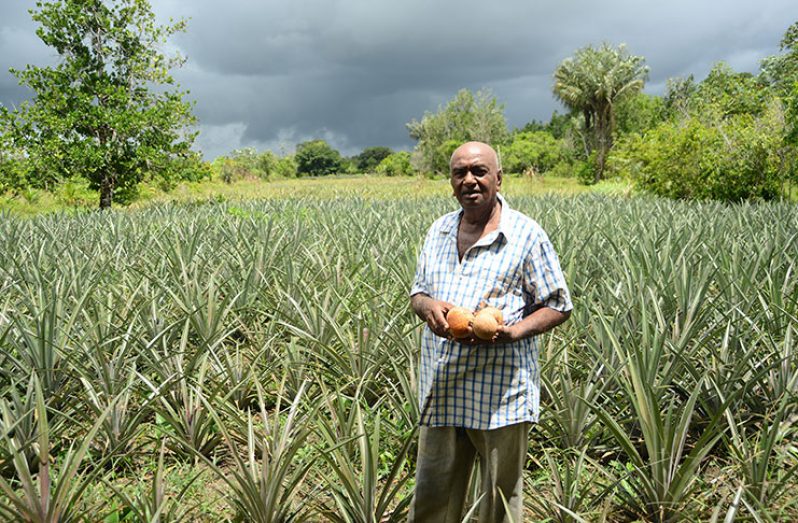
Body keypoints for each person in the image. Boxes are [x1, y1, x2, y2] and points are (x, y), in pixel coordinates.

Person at [408, 141, 573, 522]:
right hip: (443, 387)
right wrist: (428, 307)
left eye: (479, 171)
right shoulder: (439, 230)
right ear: (450, 182)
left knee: (499, 501)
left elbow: (558, 304)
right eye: (459, 173)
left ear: (498, 178)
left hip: (499, 393)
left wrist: (514, 333)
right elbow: (418, 292)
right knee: (432, 497)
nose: (469, 180)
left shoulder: (526, 235)